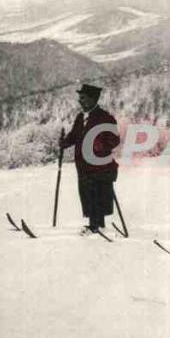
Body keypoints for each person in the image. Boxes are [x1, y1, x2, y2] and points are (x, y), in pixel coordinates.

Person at [61, 84, 121, 234]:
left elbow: (114, 140)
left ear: (93, 99)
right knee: (87, 193)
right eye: (80, 98)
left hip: (99, 164)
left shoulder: (105, 118)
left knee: (98, 193)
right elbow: (74, 135)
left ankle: (96, 225)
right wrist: (64, 143)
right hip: (83, 165)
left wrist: (100, 145)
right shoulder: (81, 117)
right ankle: (94, 225)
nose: (81, 101)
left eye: (84, 98)